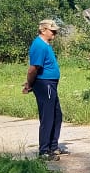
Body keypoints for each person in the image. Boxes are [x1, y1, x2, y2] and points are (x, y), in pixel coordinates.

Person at [23, 19, 64, 161]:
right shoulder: (39, 45)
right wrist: (29, 84)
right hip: (44, 83)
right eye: (52, 31)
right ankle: (44, 151)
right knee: (48, 116)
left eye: (55, 31)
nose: (55, 33)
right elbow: (33, 69)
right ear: (43, 30)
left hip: (50, 83)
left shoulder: (46, 45)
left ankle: (53, 146)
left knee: (57, 115)